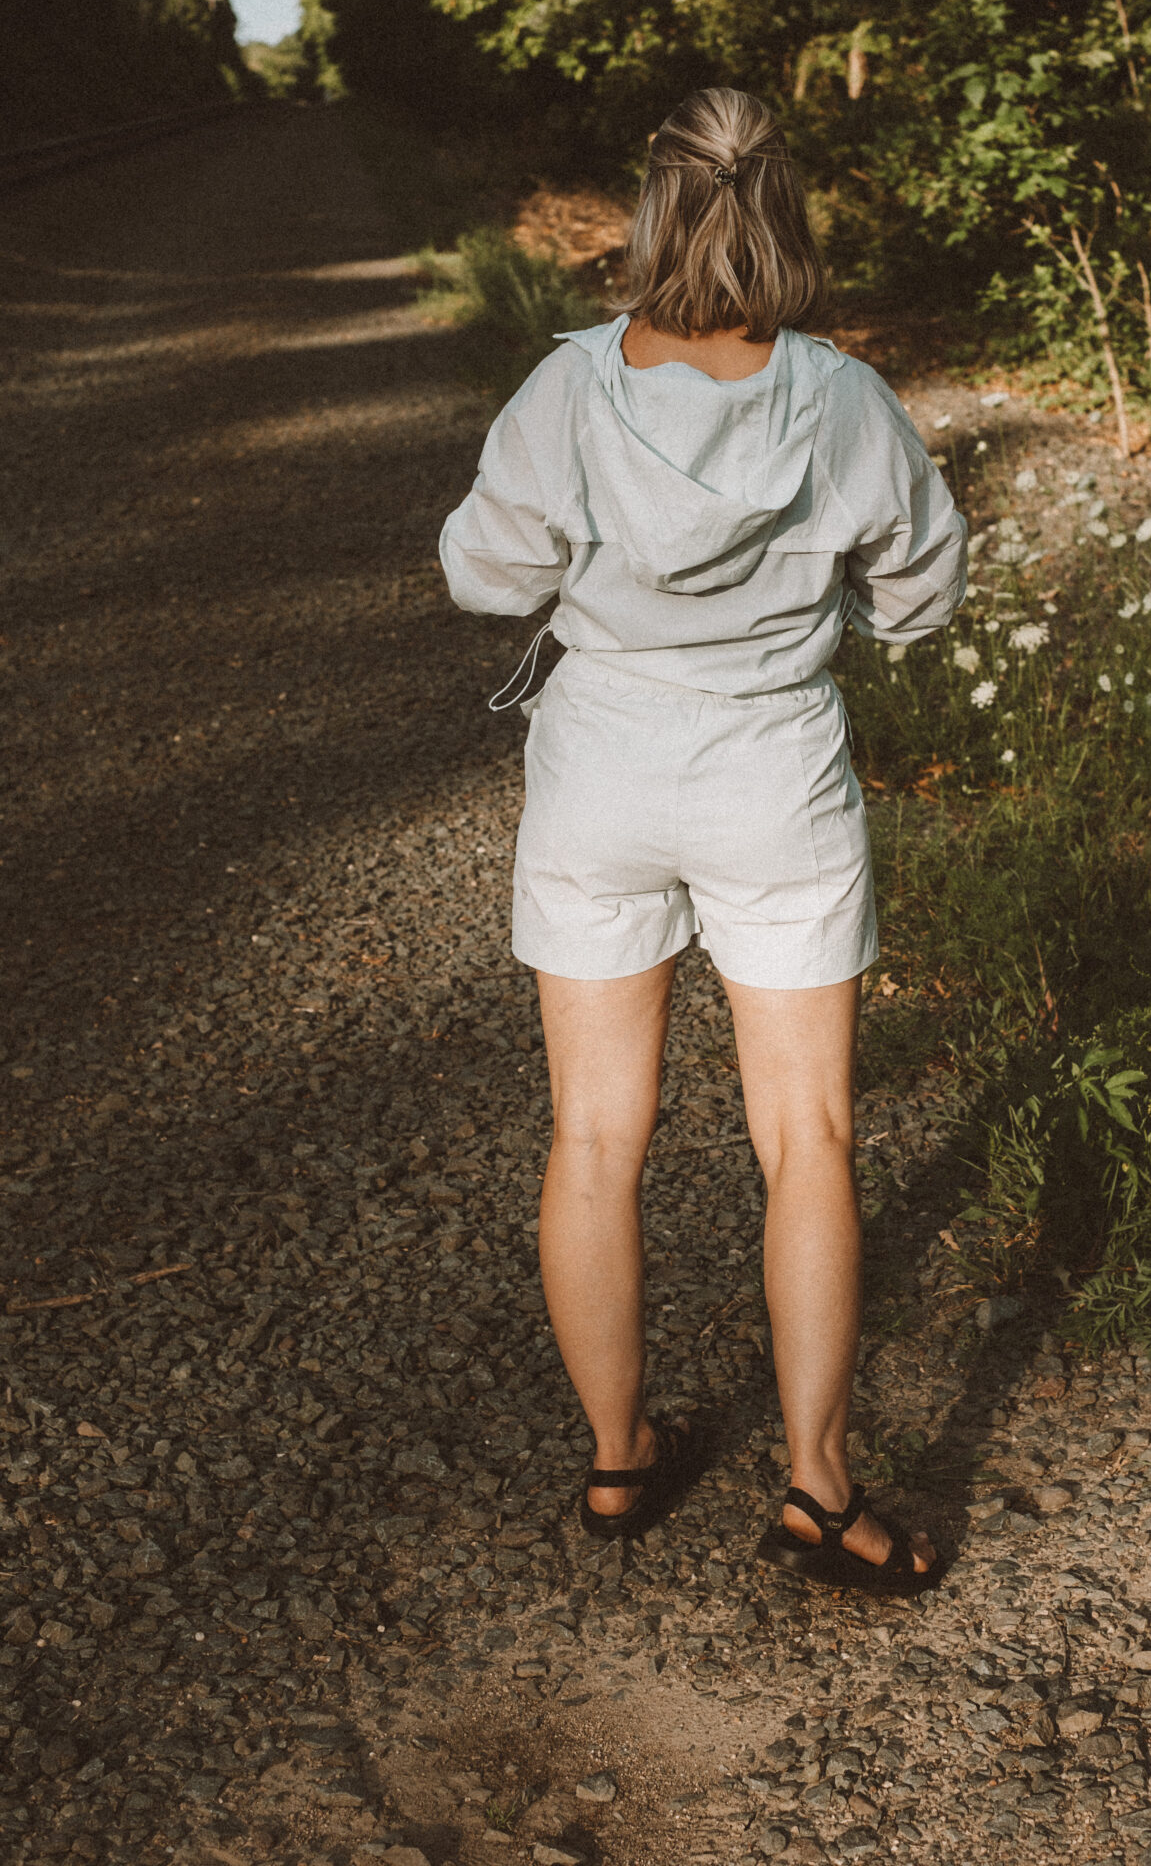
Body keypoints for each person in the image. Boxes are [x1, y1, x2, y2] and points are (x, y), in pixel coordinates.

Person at [439, 87, 966, 1593]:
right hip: (774, 769)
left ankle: (618, 1459)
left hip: (602, 763)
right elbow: (924, 588)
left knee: (597, 1135)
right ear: (785, 212)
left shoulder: (568, 392)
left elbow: (484, 576)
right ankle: (816, 1486)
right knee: (807, 1136)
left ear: (655, 211)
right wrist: (837, 599)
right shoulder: (843, 399)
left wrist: (579, 562)